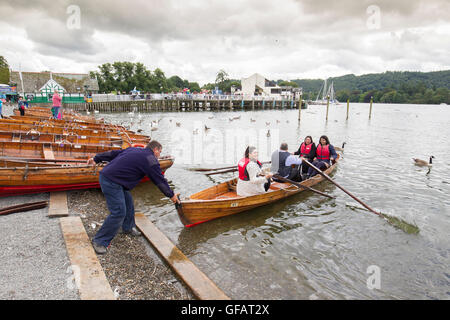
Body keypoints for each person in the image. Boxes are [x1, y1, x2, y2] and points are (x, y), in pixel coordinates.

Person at [86, 140, 180, 254]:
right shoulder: (151, 159)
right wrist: (172, 195)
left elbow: (113, 154)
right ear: (155, 149)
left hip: (115, 180)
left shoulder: (134, 149)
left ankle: (127, 228)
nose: (159, 155)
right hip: (111, 181)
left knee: (129, 203)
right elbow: (159, 180)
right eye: (159, 152)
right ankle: (100, 241)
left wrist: (96, 158)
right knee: (119, 212)